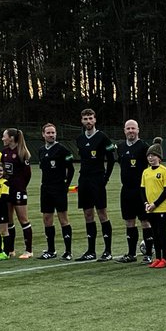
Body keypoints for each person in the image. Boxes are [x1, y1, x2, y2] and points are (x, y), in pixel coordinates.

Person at [74, 110, 117, 261]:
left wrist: (105, 178)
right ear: (82, 121)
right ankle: (91, 250)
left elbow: (111, 159)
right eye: (85, 119)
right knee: (87, 214)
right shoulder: (79, 139)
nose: (88, 121)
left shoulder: (102, 137)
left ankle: (108, 251)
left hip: (97, 179)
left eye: (90, 118)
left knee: (102, 213)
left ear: (95, 120)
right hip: (84, 179)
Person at [37, 123, 76, 260]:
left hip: (59, 188)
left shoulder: (63, 150)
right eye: (48, 133)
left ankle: (68, 251)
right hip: (45, 188)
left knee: (63, 218)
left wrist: (66, 186)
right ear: (43, 134)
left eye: (53, 132)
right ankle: (51, 250)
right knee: (47, 219)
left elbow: (71, 169)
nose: (51, 135)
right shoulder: (41, 150)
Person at [116, 120, 152, 263]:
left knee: (145, 221)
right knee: (129, 221)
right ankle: (131, 254)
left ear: (138, 130)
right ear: (124, 130)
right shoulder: (121, 147)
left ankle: (148, 254)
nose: (131, 131)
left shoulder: (144, 147)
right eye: (128, 128)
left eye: (133, 128)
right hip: (126, 190)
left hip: (141, 190)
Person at [0, 128, 35, 259]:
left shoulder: (22, 153)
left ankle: (28, 250)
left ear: (11, 138)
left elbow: (28, 175)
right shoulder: (4, 153)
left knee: (23, 219)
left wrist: (20, 187)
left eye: (4, 136)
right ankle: (10, 249)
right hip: (7, 190)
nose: (3, 139)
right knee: (9, 220)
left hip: (19, 190)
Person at [140, 139, 166, 268]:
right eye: (148, 156)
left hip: (161, 208)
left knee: (161, 232)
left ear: (158, 157)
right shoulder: (146, 172)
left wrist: (155, 204)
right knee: (154, 233)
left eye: (153, 155)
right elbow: (142, 189)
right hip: (150, 208)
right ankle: (157, 257)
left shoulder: (164, 171)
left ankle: (165, 258)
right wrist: (146, 203)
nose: (150, 158)